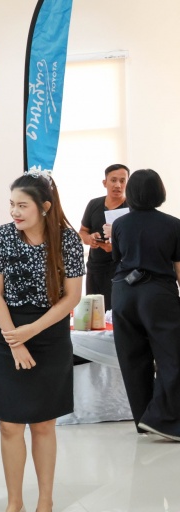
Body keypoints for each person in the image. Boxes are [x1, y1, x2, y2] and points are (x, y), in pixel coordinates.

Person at [0, 171, 84, 512]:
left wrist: (32, 331)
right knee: (9, 424)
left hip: (49, 334)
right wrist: (16, 340)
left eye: (22, 205)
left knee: (43, 424)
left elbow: (72, 297)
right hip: (7, 332)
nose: (14, 212)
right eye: (12, 204)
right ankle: (15, 505)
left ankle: (45, 503)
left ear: (44, 207)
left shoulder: (68, 239)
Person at [109, 169, 180, 441]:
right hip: (158, 294)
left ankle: (144, 421)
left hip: (123, 293)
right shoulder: (174, 225)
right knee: (172, 357)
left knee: (132, 359)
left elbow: (119, 258)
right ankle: (164, 421)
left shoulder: (119, 225)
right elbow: (178, 268)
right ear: (160, 191)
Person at [78, 164, 129, 310]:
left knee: (117, 312)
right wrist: (90, 239)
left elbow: (138, 242)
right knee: (94, 312)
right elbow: (82, 231)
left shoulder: (132, 208)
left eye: (122, 181)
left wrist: (115, 247)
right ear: (105, 182)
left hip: (121, 269)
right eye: (113, 180)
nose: (118, 185)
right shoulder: (94, 204)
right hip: (95, 268)